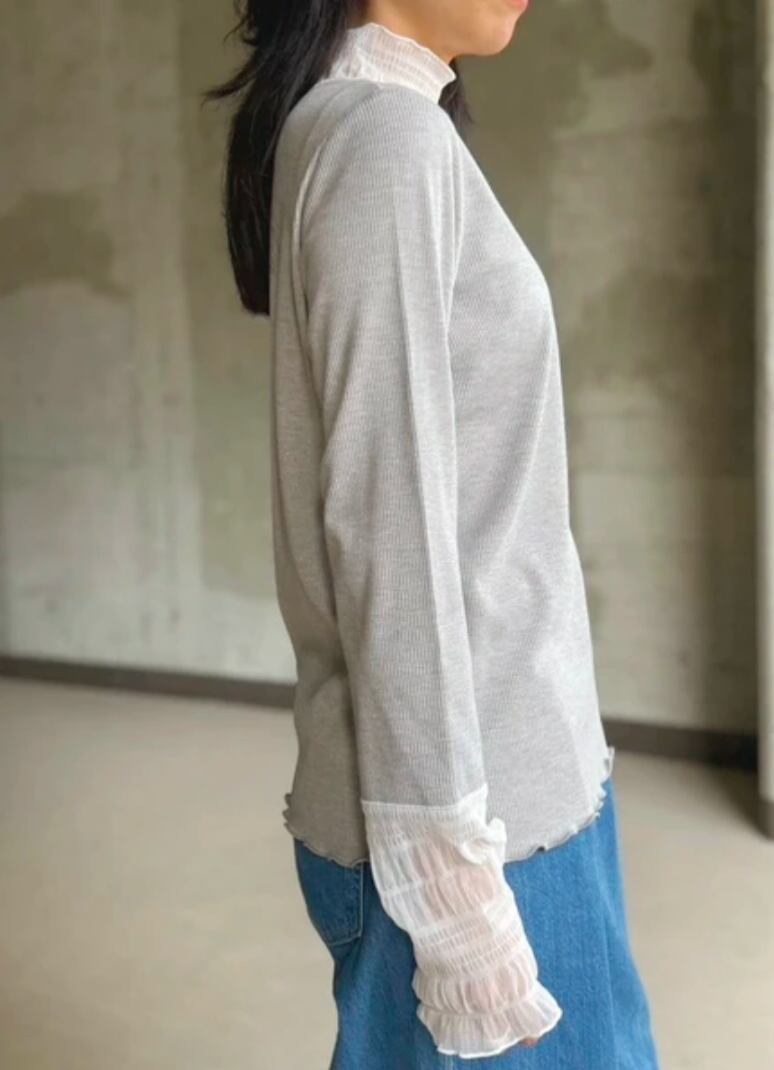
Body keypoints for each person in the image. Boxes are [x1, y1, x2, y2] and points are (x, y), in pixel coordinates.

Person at [208, 3, 662, 1067]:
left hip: (502, 782)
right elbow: (387, 528)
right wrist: (455, 899)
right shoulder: (385, 138)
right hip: (481, 820)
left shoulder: (366, 121)